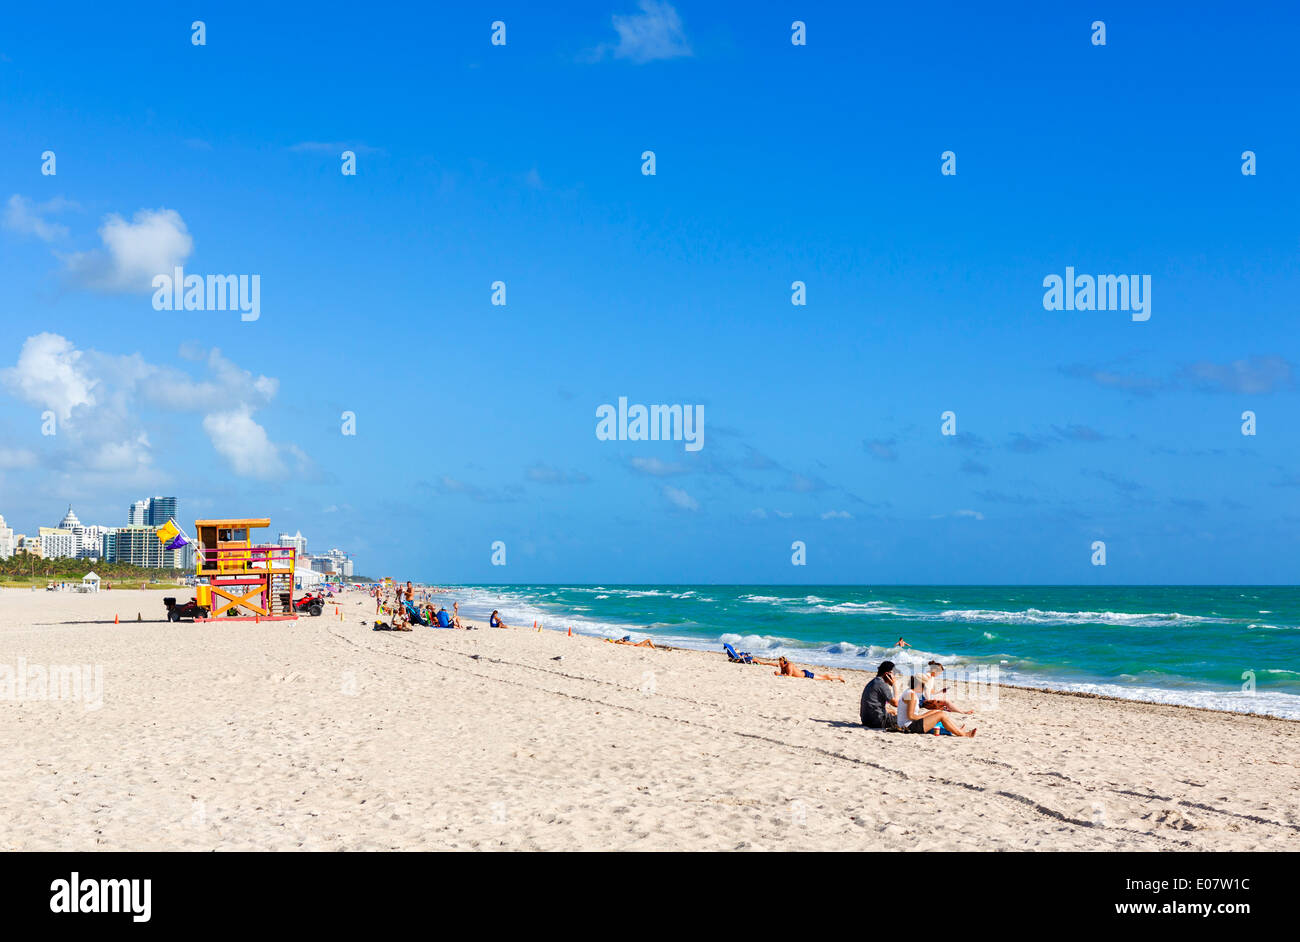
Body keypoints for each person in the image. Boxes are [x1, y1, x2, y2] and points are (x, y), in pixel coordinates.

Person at [897, 674, 976, 736]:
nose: (924, 688)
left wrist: (926, 715)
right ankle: (963, 734)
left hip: (907, 724)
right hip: (909, 727)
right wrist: (923, 717)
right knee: (941, 715)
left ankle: (956, 730)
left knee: (936, 711)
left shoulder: (909, 692)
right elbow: (911, 716)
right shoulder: (911, 695)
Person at [860, 661, 900, 729]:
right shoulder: (881, 683)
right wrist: (894, 685)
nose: (894, 677)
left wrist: (891, 711)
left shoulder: (873, 682)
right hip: (878, 722)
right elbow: (896, 703)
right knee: (906, 718)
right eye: (894, 674)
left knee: (893, 712)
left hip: (866, 720)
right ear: (887, 674)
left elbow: (874, 705)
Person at [774, 656, 845, 682]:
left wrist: (779, 674)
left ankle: (839, 677)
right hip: (802, 673)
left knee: (824, 677)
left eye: (781, 663)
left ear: (784, 662)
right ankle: (832, 678)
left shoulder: (789, 665)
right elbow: (783, 674)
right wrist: (779, 674)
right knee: (823, 677)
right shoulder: (783, 666)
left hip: (806, 675)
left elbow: (789, 675)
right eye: (779, 663)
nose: (780, 664)